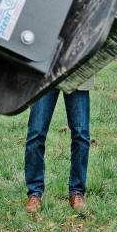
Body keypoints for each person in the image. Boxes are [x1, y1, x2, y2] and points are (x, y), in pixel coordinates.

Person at [23, 77, 94, 213]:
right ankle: (34, 193)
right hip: (46, 72)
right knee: (36, 134)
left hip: (78, 71)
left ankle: (77, 192)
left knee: (81, 135)